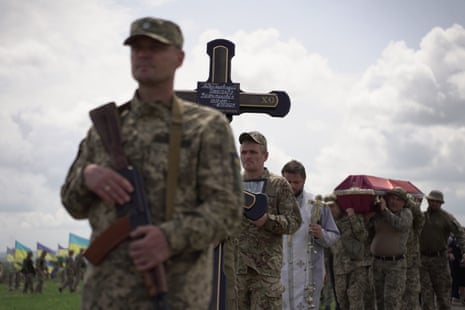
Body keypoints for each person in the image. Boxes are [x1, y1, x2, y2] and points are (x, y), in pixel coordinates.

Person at [60, 16, 242, 309]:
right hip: (104, 296)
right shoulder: (106, 130)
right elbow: (72, 203)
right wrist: (87, 176)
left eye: (155, 47)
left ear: (179, 58)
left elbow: (228, 210)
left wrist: (169, 238)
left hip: (173, 294)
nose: (143, 53)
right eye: (136, 47)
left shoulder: (206, 127)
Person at [236, 132, 302, 309]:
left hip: (265, 273)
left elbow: (294, 221)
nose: (247, 156)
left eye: (253, 152)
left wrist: (267, 220)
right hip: (235, 271)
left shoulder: (279, 185)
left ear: (265, 156)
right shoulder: (232, 184)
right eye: (244, 152)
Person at [280, 160, 339, 310]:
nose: (292, 186)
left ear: (304, 180)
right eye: (288, 181)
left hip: (309, 276)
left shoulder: (316, 206)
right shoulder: (274, 203)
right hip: (279, 273)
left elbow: (334, 235)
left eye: (296, 182)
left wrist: (321, 234)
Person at [366, 187, 412, 310]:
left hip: (395, 264)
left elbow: (400, 225)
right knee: (379, 300)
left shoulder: (406, 213)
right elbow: (368, 232)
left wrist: (384, 210)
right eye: (392, 198)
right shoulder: (380, 215)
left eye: (398, 199)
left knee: (392, 301)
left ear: (404, 203)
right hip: (377, 263)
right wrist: (368, 217)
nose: (394, 202)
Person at [420, 190, 465, 310]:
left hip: (439, 260)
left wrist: (464, 251)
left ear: (441, 203)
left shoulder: (447, 217)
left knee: (443, 294)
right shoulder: (422, 216)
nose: (433, 203)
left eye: (436, 201)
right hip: (423, 260)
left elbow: (460, 233)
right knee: (426, 295)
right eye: (431, 200)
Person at [327, 198, 367, 310]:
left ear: (340, 206)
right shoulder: (328, 223)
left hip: (356, 267)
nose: (330, 209)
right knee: (342, 301)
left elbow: (363, 236)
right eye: (328, 207)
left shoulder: (353, 217)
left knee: (355, 301)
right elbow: (327, 249)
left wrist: (352, 217)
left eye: (333, 206)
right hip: (339, 269)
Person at [401, 194, 425, 310]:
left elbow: (419, 216)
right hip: (396, 264)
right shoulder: (395, 218)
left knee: (412, 296)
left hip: (411, 264)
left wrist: (407, 200)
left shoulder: (416, 225)